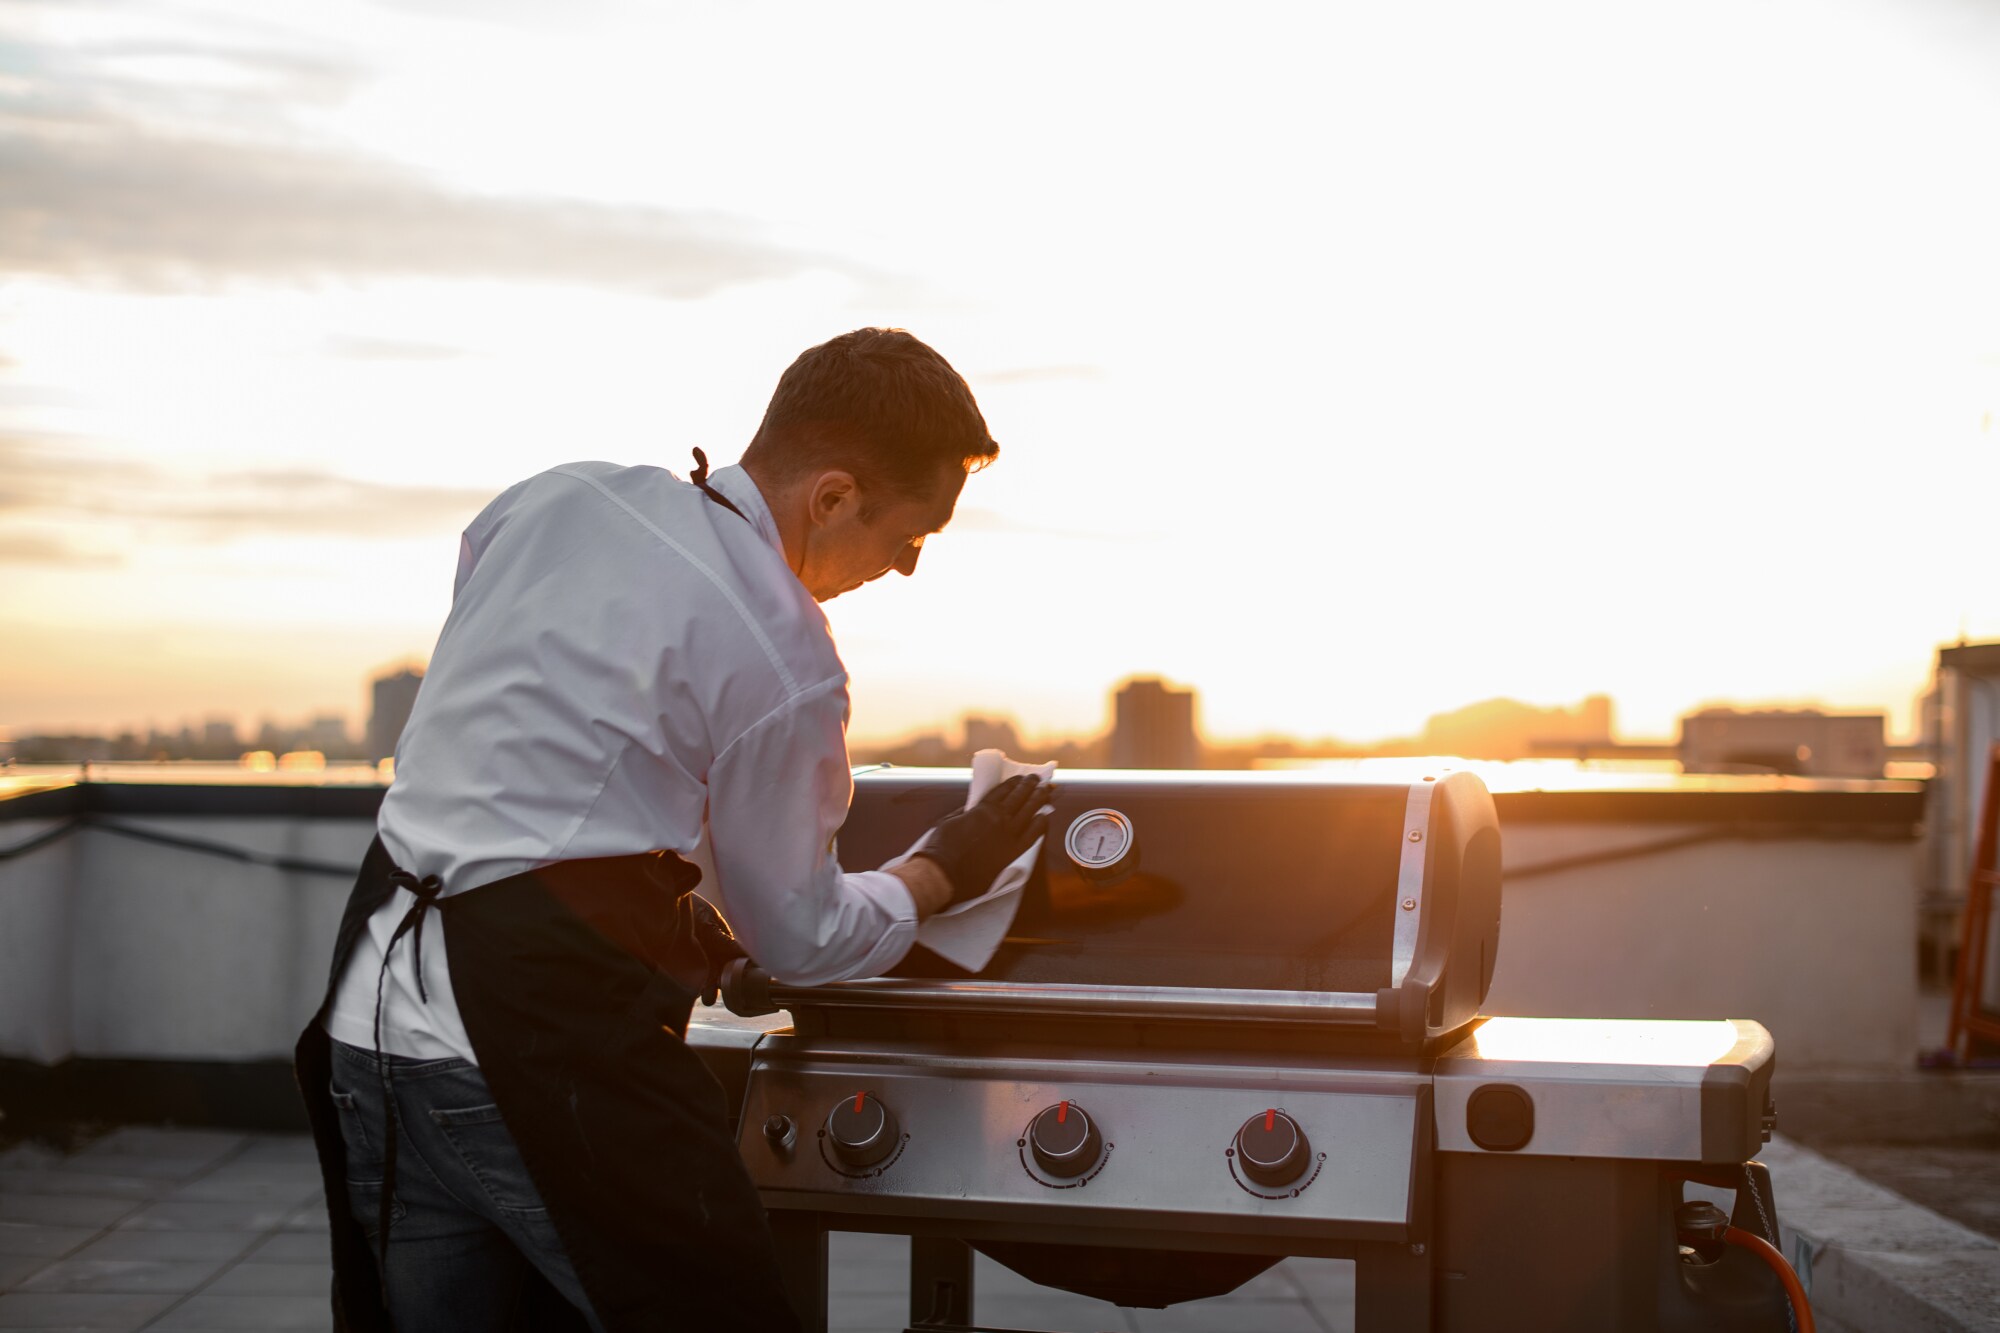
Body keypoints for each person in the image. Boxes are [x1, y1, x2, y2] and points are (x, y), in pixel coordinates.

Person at [295, 328, 1052, 1333]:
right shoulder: (787, 655)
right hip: (531, 1054)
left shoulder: (559, 496)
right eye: (909, 535)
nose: (905, 567)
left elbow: (530, 754)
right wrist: (937, 872)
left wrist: (669, 911)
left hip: (371, 1019)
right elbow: (805, 938)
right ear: (831, 498)